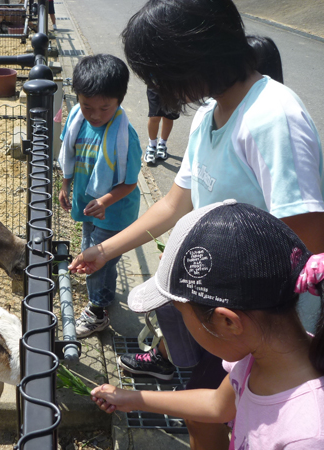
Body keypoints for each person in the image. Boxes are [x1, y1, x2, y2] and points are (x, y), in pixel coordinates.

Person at [68, 1, 324, 448]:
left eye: (159, 75)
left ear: (193, 59)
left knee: (224, 412)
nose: (158, 88)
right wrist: (105, 251)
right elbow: (174, 202)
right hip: (222, 309)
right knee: (205, 411)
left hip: (260, 322)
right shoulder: (211, 113)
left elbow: (307, 241)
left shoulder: (272, 119)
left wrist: (208, 286)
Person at [90, 200, 324, 450]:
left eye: (181, 312)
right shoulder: (260, 356)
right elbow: (217, 405)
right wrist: (133, 398)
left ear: (227, 321)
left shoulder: (308, 436)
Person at [57, 54, 142, 338]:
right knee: (93, 250)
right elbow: (68, 155)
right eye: (87, 106)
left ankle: (97, 311)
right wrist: (65, 185)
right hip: (88, 205)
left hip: (114, 211)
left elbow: (130, 183)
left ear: (119, 100)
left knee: (97, 259)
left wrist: (105, 201)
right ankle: (103, 295)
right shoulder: (77, 120)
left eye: (104, 108)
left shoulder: (125, 136)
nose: (95, 115)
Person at [144, 88, 179, 164]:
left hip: (175, 87)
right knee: (154, 116)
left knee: (168, 117)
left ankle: (162, 144)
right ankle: (152, 146)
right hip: (155, 85)